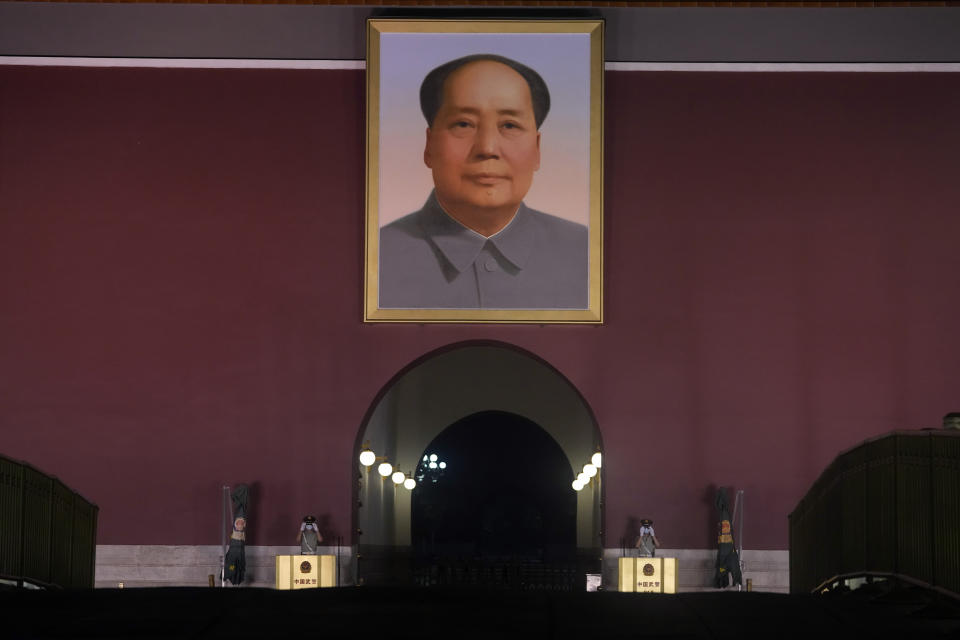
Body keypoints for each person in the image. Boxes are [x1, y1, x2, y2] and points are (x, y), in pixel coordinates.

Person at [379, 54, 588, 310]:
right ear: (429, 146)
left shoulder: (588, 254)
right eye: (464, 124)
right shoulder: (375, 257)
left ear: (537, 149)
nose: (487, 148)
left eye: (509, 125)